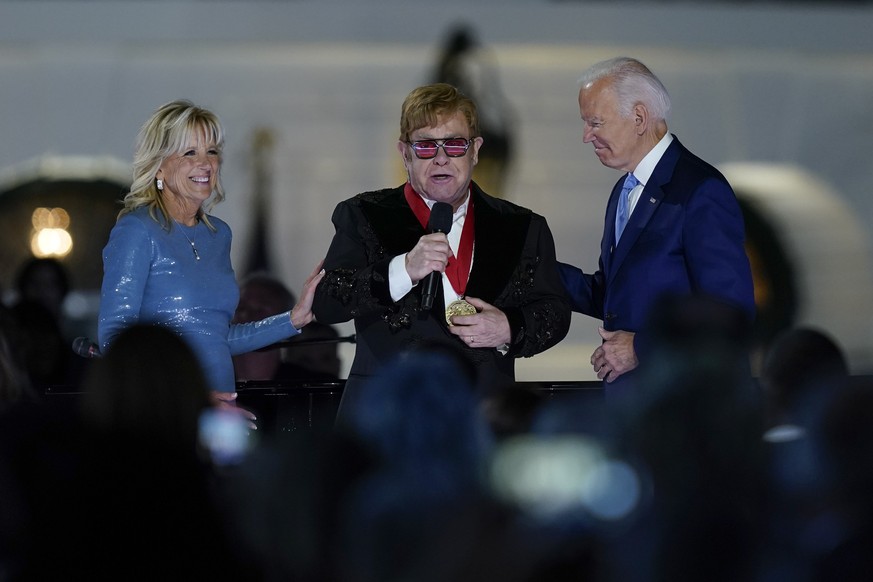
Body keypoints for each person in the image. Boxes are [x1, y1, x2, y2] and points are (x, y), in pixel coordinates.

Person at [312, 83, 571, 422]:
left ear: (475, 150)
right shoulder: (364, 214)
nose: (441, 158)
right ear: (404, 153)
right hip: (387, 416)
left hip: (486, 415)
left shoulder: (522, 226)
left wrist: (509, 327)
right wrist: (403, 269)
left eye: (454, 144)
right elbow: (329, 301)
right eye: (425, 146)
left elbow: (555, 311)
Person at [98, 99, 324, 415]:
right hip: (162, 410)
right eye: (190, 153)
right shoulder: (137, 230)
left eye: (212, 151)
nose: (206, 164)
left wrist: (293, 319)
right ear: (159, 165)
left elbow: (217, 337)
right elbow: (116, 341)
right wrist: (194, 399)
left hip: (222, 407)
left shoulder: (219, 234)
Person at [558, 57, 755, 393]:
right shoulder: (624, 190)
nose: (586, 136)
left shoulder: (700, 190)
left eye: (595, 122)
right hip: (637, 410)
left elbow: (730, 313)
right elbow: (614, 295)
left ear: (638, 117)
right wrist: (532, 265)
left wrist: (641, 348)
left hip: (687, 411)